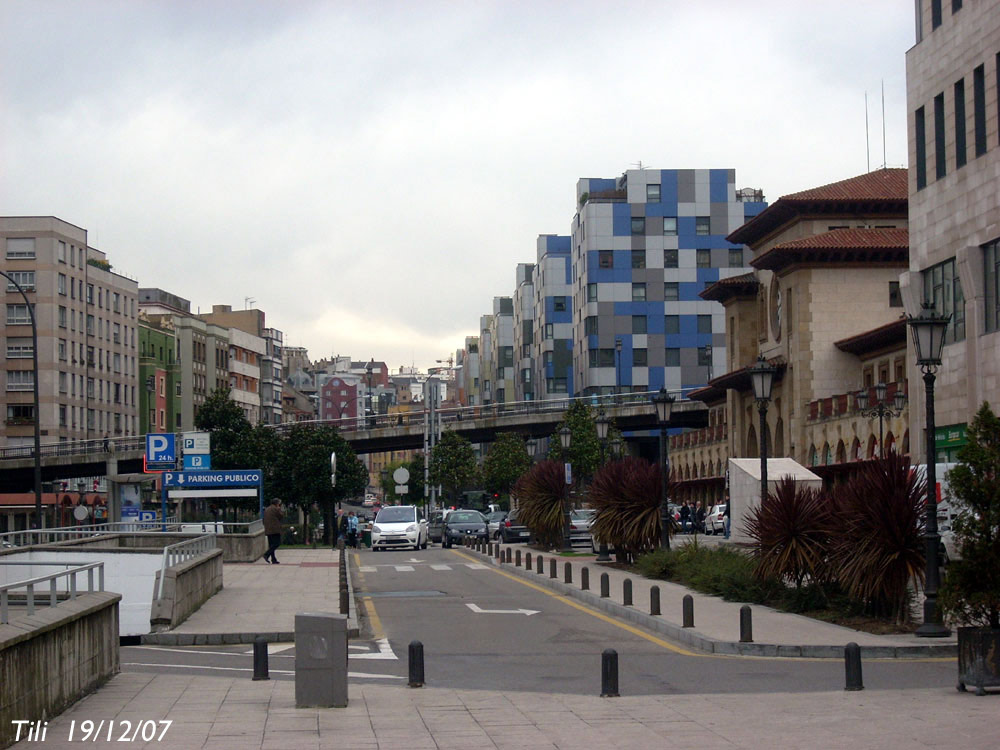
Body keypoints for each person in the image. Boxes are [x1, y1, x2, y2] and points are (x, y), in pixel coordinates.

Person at [263, 497, 284, 564]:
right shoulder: (276, 509)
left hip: (268, 529)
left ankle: (273, 559)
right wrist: (279, 509)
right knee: (277, 543)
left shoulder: (267, 509)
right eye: (279, 503)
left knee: (271, 544)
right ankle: (266, 554)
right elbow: (281, 516)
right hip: (275, 529)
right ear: (277, 503)